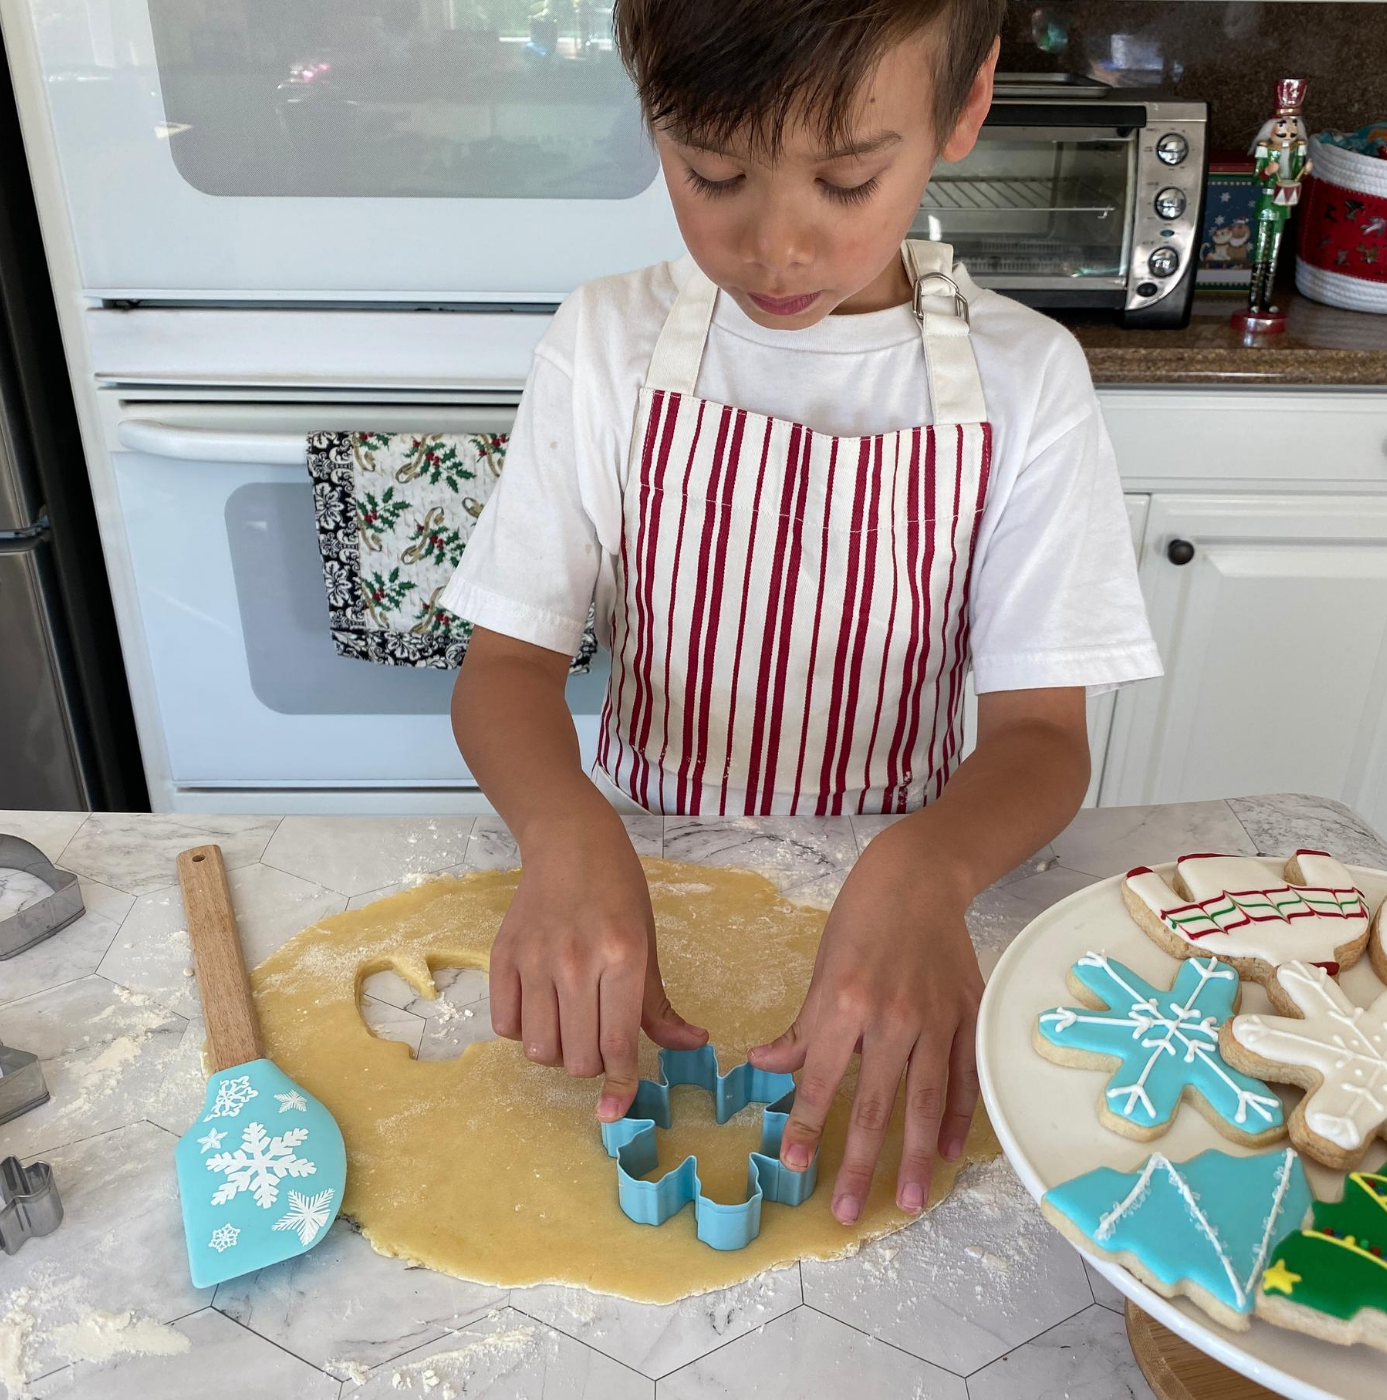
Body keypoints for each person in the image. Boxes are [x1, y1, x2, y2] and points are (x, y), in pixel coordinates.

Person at [444, 0, 1161, 1226]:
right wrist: (563, 832)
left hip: (911, 902)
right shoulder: (605, 343)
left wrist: (923, 869)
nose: (775, 245)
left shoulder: (1024, 381)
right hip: (643, 890)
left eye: (844, 180)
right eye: (710, 171)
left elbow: (1040, 737)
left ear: (964, 105)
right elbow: (506, 665)